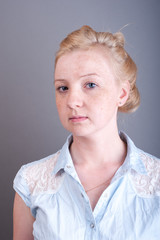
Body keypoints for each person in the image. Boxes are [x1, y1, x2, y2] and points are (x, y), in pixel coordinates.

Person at [13, 25, 160, 240]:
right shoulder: (30, 183)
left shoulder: (156, 182)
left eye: (90, 84)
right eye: (63, 88)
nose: (72, 101)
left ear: (122, 93)